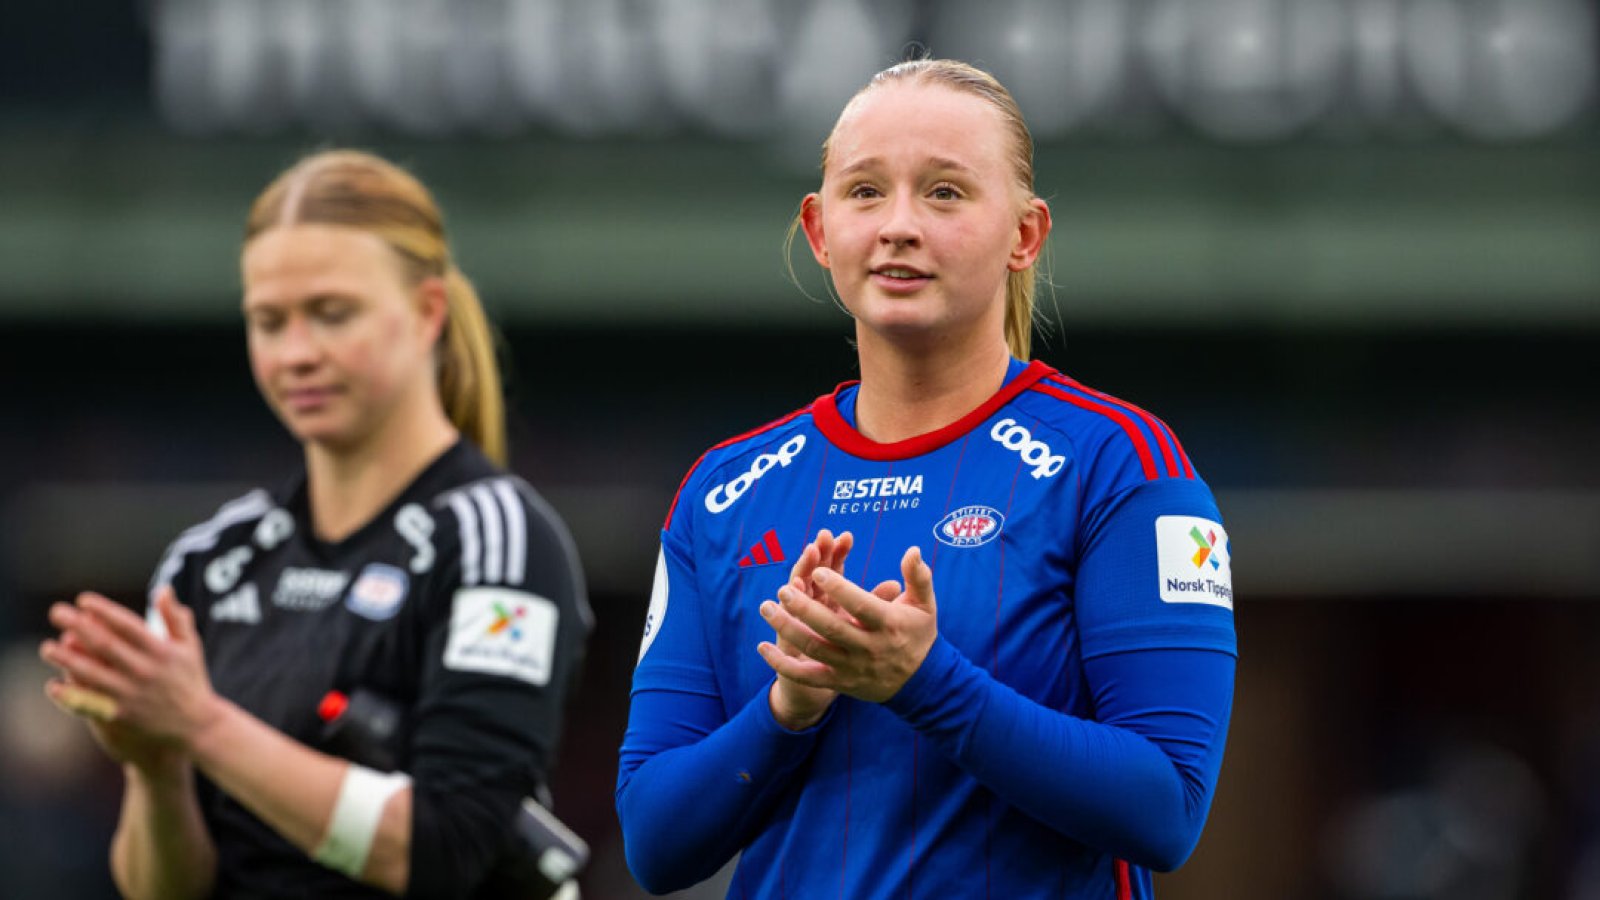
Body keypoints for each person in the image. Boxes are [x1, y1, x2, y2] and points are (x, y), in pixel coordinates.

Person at [616, 59, 1236, 898]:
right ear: (819, 228)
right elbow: (653, 843)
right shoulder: (724, 489)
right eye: (865, 192)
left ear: (1025, 234)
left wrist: (922, 681)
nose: (899, 225)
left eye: (945, 193)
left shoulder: (1122, 462)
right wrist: (786, 709)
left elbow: (1167, 808)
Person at [39, 150, 591, 899]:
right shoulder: (209, 561)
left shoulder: (497, 538)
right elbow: (160, 890)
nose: (297, 353)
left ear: (428, 311)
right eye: (268, 322)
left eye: (333, 314)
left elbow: (446, 847)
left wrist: (200, 726)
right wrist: (157, 766)